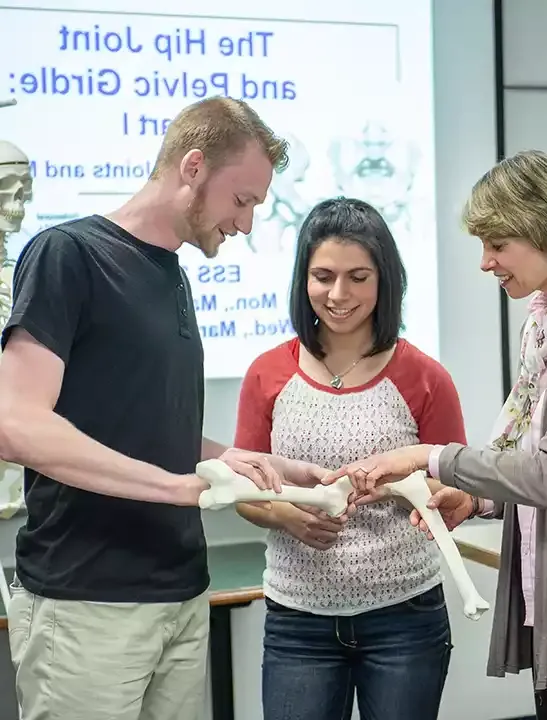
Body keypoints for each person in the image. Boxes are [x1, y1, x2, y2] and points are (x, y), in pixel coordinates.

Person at [326, 151, 547, 720]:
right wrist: (475, 497)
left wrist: (428, 456)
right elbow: (533, 458)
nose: (485, 262)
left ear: (546, 232)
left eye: (496, 244)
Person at [0, 96, 328, 720]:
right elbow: (15, 424)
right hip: (88, 603)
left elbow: (147, 432)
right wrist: (178, 490)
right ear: (194, 167)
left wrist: (254, 462)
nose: (248, 224)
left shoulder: (171, 275)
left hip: (180, 595)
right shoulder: (69, 254)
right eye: (243, 200)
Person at [233, 197, 468, 720]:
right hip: (298, 620)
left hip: (405, 617)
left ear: (385, 281)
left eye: (358, 277)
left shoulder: (426, 378)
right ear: (303, 279)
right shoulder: (266, 373)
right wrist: (284, 517)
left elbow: (457, 487)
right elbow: (245, 491)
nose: (338, 295)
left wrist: (400, 487)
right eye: (323, 276)